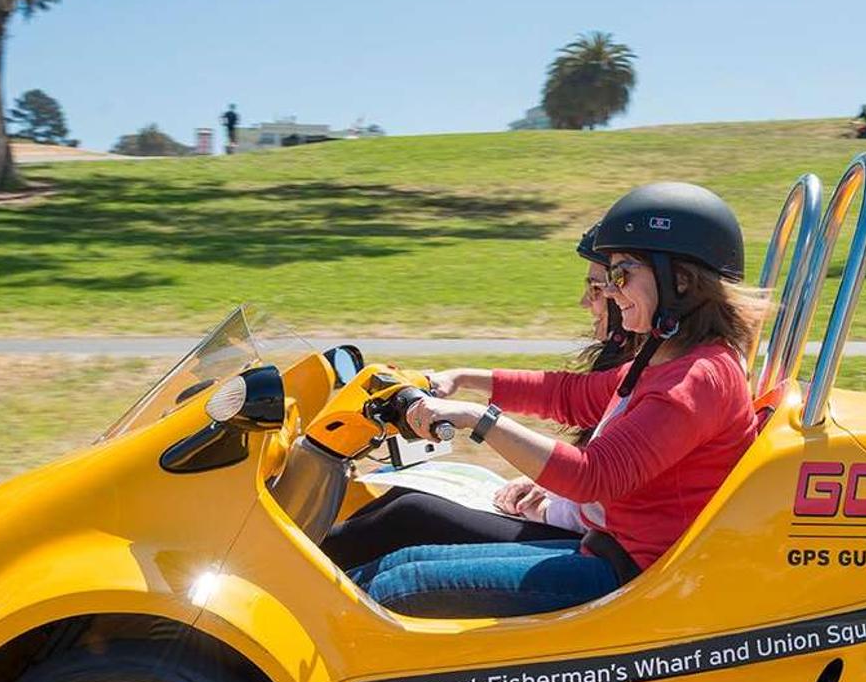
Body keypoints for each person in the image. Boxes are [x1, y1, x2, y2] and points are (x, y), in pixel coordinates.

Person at [343, 182, 763, 618]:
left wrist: (477, 419)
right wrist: (463, 379)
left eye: (621, 275)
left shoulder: (697, 378)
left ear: (678, 280)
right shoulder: (666, 360)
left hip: (635, 580)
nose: (612, 293)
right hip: (608, 554)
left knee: (401, 586)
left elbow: (593, 476)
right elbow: (570, 395)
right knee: (400, 563)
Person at [320, 226, 632, 567]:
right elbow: (561, 394)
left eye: (596, 288)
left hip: (588, 544)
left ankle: (296, 583)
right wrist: (461, 378)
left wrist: (549, 502)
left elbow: (597, 483)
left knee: (409, 515)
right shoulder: (637, 371)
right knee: (396, 492)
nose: (585, 301)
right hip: (573, 518)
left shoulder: (659, 382)